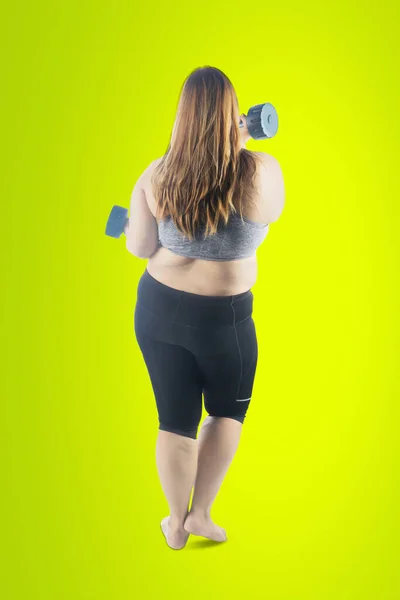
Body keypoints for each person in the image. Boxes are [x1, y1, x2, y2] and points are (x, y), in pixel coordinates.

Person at [125, 66, 285, 550]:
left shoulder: (155, 174)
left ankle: (175, 524)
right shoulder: (260, 172)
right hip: (224, 323)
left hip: (158, 312)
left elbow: (138, 246)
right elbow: (272, 212)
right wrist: (237, 140)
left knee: (175, 421)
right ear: (234, 117)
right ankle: (200, 514)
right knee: (224, 416)